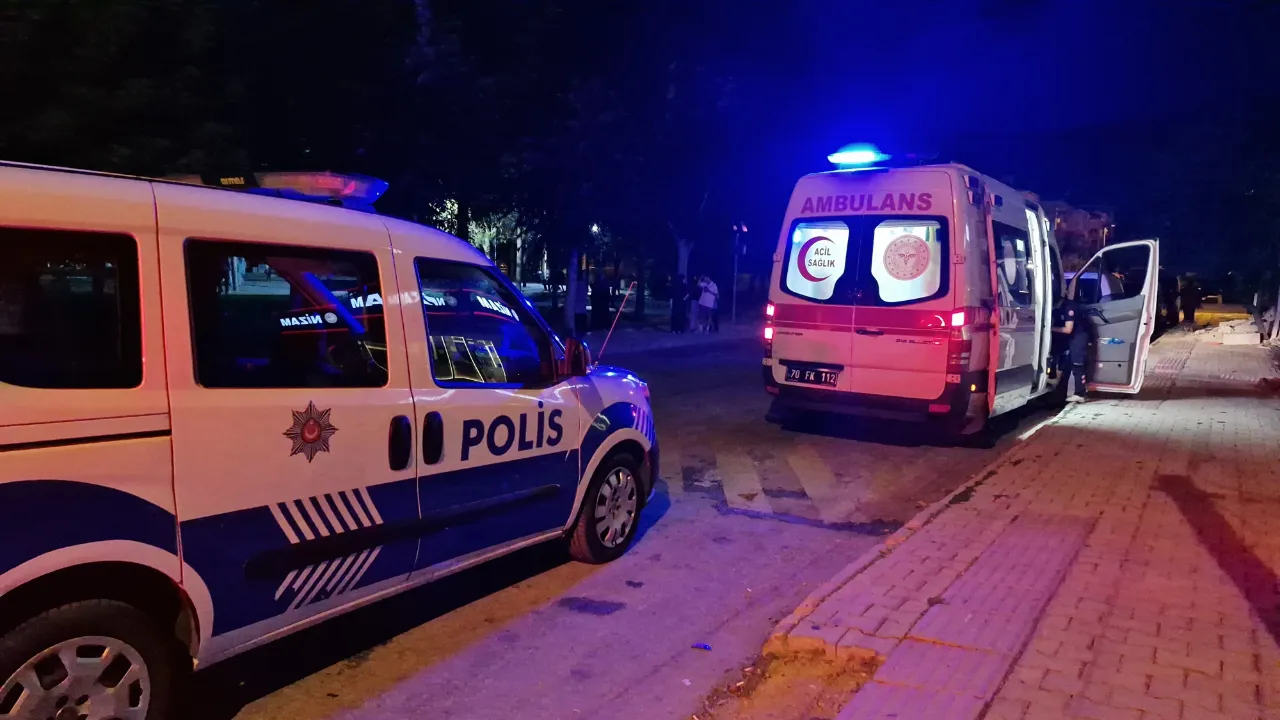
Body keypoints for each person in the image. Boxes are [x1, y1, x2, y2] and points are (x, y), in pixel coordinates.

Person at [1052, 295, 1090, 402]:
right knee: (1066, 366)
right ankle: (1059, 393)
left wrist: (1050, 328)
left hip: (1079, 337)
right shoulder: (1060, 307)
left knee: (1077, 365)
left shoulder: (1069, 307)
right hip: (1071, 338)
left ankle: (1080, 394)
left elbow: (1068, 329)